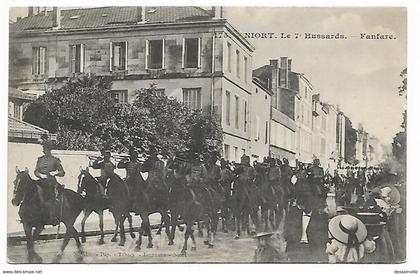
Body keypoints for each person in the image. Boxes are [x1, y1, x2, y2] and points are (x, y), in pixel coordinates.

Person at [34, 139, 65, 225]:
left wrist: (55, 173)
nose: (45, 150)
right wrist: (40, 175)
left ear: (50, 149)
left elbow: (62, 172)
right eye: (44, 149)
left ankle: (53, 217)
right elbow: (36, 171)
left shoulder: (55, 160)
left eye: (47, 148)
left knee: (53, 197)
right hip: (41, 182)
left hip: (51, 183)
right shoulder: (40, 160)